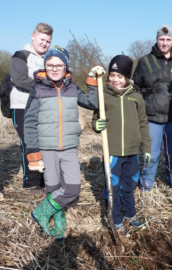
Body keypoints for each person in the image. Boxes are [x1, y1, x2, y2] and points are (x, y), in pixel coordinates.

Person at [24, 46, 98, 241]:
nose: (54, 68)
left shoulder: (73, 87)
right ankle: (59, 218)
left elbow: (93, 103)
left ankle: (41, 212)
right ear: (45, 66)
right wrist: (33, 154)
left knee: (72, 188)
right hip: (46, 148)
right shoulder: (37, 88)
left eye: (59, 64)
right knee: (53, 186)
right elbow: (29, 123)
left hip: (70, 146)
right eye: (50, 64)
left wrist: (93, 82)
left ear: (66, 67)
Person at [91, 55, 151, 234]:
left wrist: (146, 148)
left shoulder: (137, 97)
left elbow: (143, 123)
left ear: (127, 78)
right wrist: (96, 125)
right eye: (112, 75)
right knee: (113, 187)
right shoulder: (104, 97)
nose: (115, 79)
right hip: (112, 151)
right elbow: (95, 119)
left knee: (130, 186)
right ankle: (116, 218)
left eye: (119, 76)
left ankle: (130, 215)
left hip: (132, 152)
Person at [132, 24, 172, 191]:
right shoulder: (144, 62)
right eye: (161, 39)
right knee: (151, 154)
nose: (164, 43)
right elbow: (135, 88)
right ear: (156, 39)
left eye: (168, 39)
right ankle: (147, 183)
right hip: (151, 117)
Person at [9, 23, 53, 191]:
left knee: (44, 143)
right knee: (29, 143)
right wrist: (45, 84)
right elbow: (19, 80)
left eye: (48, 41)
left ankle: (43, 180)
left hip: (43, 108)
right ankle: (30, 183)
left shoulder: (49, 59)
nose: (44, 43)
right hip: (22, 107)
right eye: (42, 39)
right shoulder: (21, 55)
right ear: (32, 36)